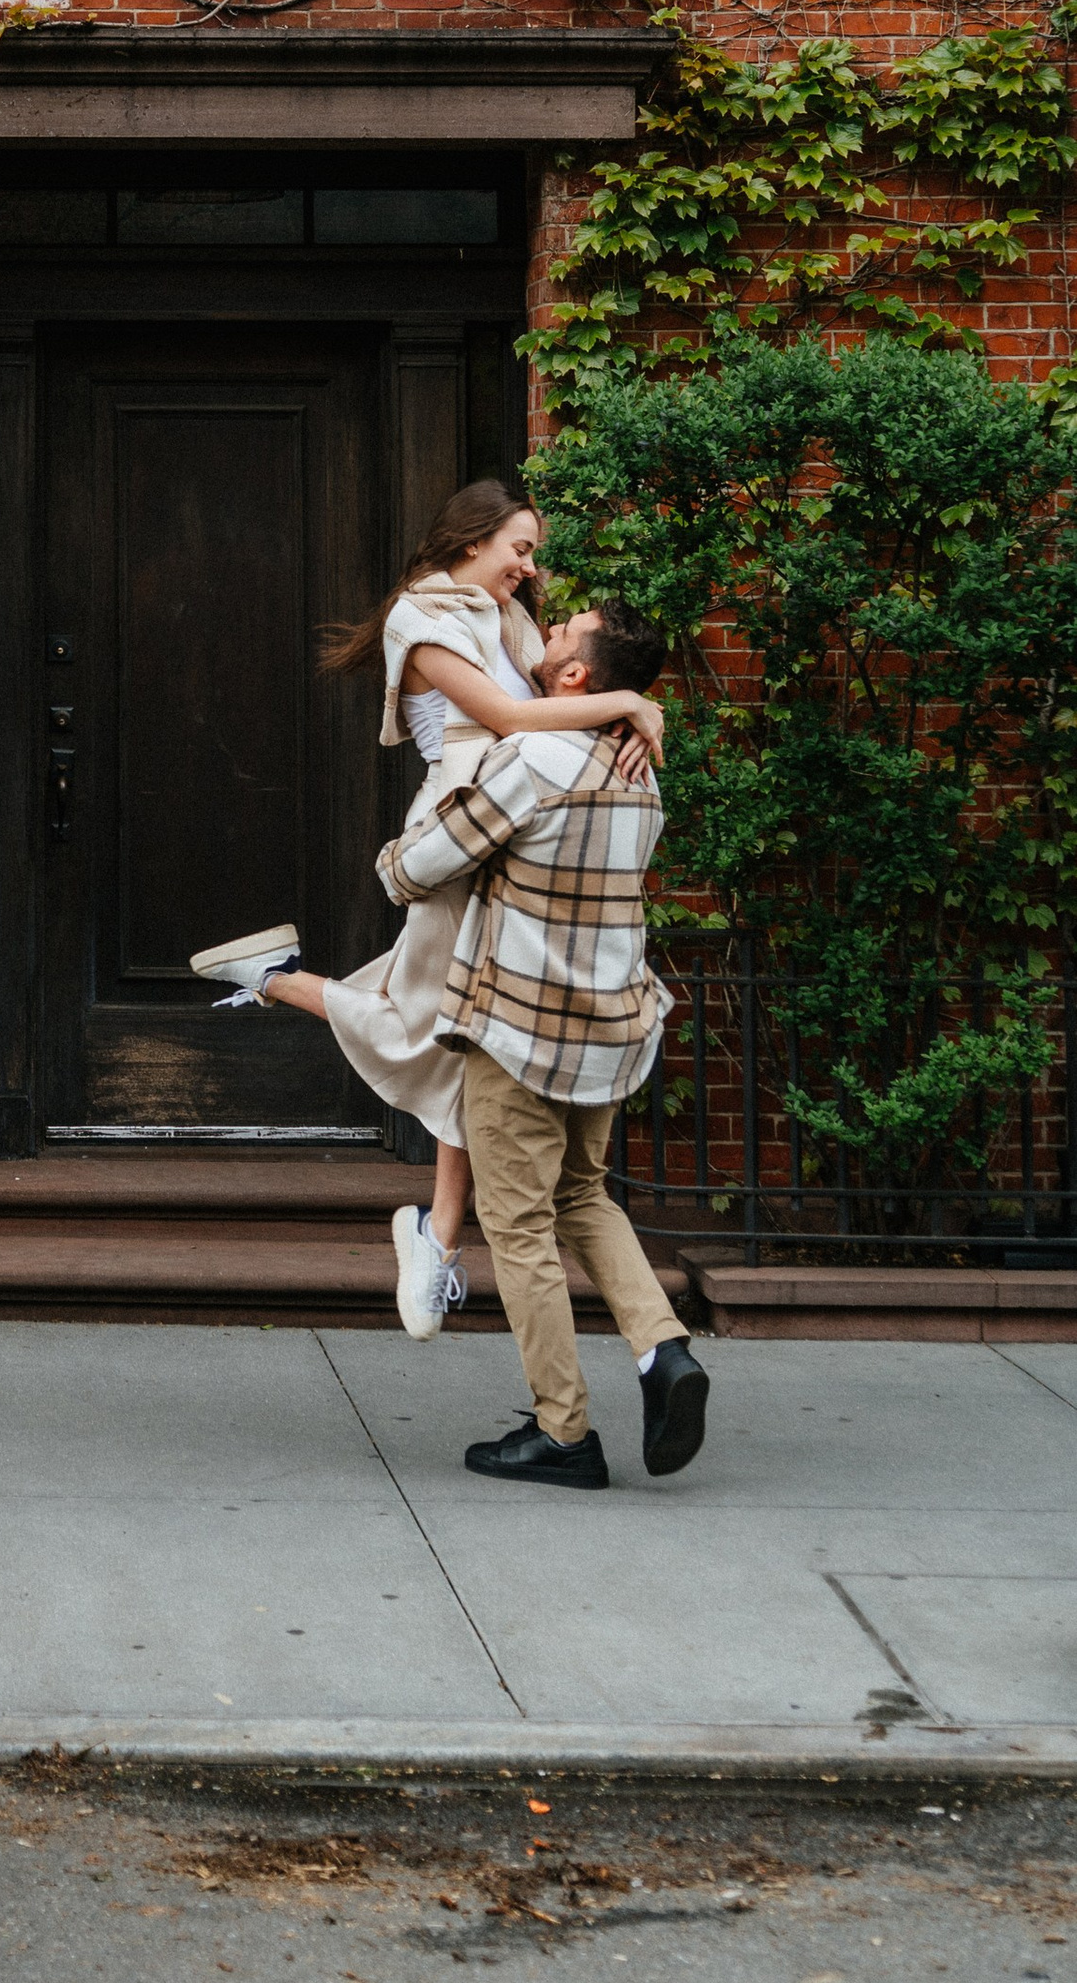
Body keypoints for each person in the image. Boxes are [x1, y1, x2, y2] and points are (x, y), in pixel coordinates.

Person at [190, 482, 665, 1342]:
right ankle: (275, 982)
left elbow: (562, 691)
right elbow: (517, 714)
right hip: (461, 820)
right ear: (471, 540)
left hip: (506, 817)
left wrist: (628, 700)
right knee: (437, 1025)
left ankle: (439, 1236)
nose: (531, 567)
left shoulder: (508, 619)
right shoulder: (423, 618)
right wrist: (629, 703)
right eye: (519, 548)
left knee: (466, 1025)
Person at [378, 595, 709, 1487]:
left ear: (571, 677)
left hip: (519, 1031)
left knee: (518, 1223)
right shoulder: (639, 768)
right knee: (585, 1197)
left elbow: (422, 866)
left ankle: (564, 1433)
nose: (545, 630)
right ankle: (663, 1349)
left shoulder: (531, 758)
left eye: (561, 633)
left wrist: (392, 856)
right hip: (607, 1029)